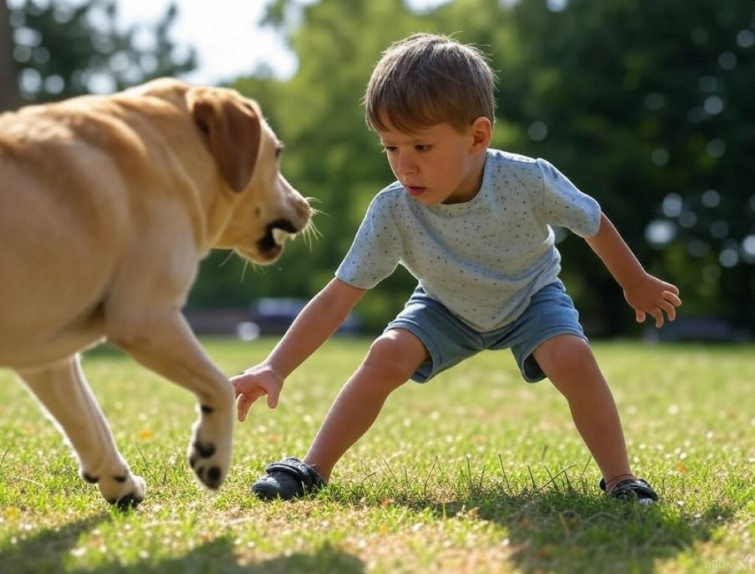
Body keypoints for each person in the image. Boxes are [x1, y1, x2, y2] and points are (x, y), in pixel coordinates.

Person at [231, 32, 681, 505]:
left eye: (421, 148)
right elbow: (338, 296)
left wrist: (636, 282)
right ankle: (310, 469)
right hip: (443, 305)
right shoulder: (393, 210)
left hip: (531, 296)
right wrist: (275, 366)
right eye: (390, 148)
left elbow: (592, 221)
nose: (404, 167)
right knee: (386, 353)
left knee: (572, 357)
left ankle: (621, 480)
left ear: (477, 136)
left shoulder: (527, 179)